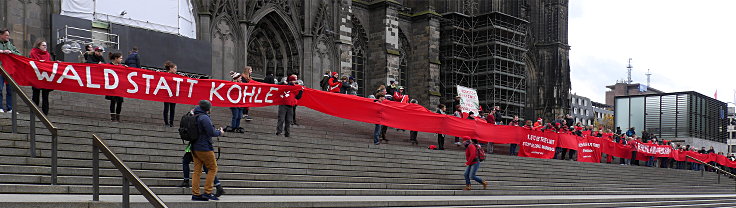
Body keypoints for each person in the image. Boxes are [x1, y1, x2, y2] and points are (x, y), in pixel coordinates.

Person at [190, 100, 224, 201]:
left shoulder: (194, 115)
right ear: (207, 109)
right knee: (213, 168)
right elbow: (211, 132)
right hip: (204, 147)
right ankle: (208, 192)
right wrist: (220, 132)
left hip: (194, 147)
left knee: (197, 171)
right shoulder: (204, 117)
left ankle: (195, 194)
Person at [29, 39, 54, 115]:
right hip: (36, 77)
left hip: (45, 77)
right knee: (36, 94)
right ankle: (34, 111)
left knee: (45, 96)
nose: (45, 47)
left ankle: (45, 113)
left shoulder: (48, 54)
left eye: (46, 45)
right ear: (38, 46)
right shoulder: (33, 53)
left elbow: (51, 64)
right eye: (43, 45)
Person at [0, 29, 20, 114]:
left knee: (10, 90)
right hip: (0, 70)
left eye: (8, 35)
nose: (8, 37)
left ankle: (10, 108)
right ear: (1, 35)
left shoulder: (10, 44)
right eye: (6, 35)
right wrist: (2, 52)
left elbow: (19, 54)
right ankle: (0, 107)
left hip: (9, 70)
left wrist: (11, 52)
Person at [105, 52, 125, 122]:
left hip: (119, 87)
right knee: (113, 101)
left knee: (120, 102)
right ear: (116, 58)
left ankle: (118, 116)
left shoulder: (122, 67)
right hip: (112, 86)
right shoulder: (108, 65)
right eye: (120, 58)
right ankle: (113, 116)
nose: (121, 60)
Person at [162, 61, 178, 127]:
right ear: (170, 68)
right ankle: (166, 122)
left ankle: (171, 123)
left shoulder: (177, 76)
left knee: (172, 109)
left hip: (173, 94)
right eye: (175, 68)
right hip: (166, 94)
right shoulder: (165, 75)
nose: (176, 70)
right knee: (166, 108)